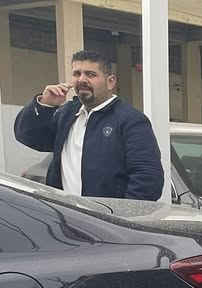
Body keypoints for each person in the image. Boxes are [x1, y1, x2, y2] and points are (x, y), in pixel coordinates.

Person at [13, 50, 164, 201]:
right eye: (77, 74)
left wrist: (121, 214)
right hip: (66, 212)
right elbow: (28, 136)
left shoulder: (130, 120)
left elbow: (148, 178)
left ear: (110, 82)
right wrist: (45, 105)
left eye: (90, 74)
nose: (82, 80)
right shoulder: (66, 114)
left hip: (104, 215)